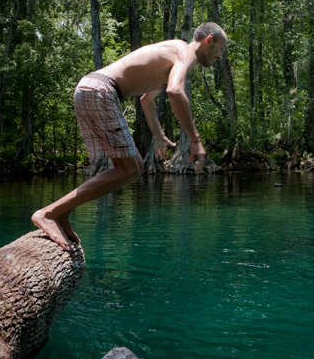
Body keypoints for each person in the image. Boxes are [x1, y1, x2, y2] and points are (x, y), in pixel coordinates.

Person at [32, 22, 227, 250]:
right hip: (101, 91)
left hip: (93, 89)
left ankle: (62, 213)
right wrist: (195, 140)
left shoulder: (173, 54)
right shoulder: (184, 52)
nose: (220, 57)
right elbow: (175, 91)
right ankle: (47, 213)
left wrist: (158, 134)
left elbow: (147, 99)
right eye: (220, 50)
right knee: (131, 169)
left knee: (132, 167)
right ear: (209, 41)